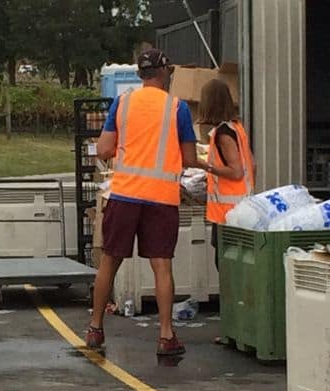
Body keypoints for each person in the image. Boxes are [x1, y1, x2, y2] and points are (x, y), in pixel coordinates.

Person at [87, 48, 200, 357]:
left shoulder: (122, 104)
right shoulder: (178, 108)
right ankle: (166, 335)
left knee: (109, 261)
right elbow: (189, 158)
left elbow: (104, 148)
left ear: (140, 75)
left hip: (124, 195)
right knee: (162, 266)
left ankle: (95, 328)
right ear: (164, 73)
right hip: (161, 198)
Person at [195, 79, 256, 269]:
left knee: (225, 264)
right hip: (242, 208)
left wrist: (207, 167)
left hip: (227, 213)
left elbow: (236, 171)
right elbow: (252, 165)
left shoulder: (223, 134)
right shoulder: (236, 128)